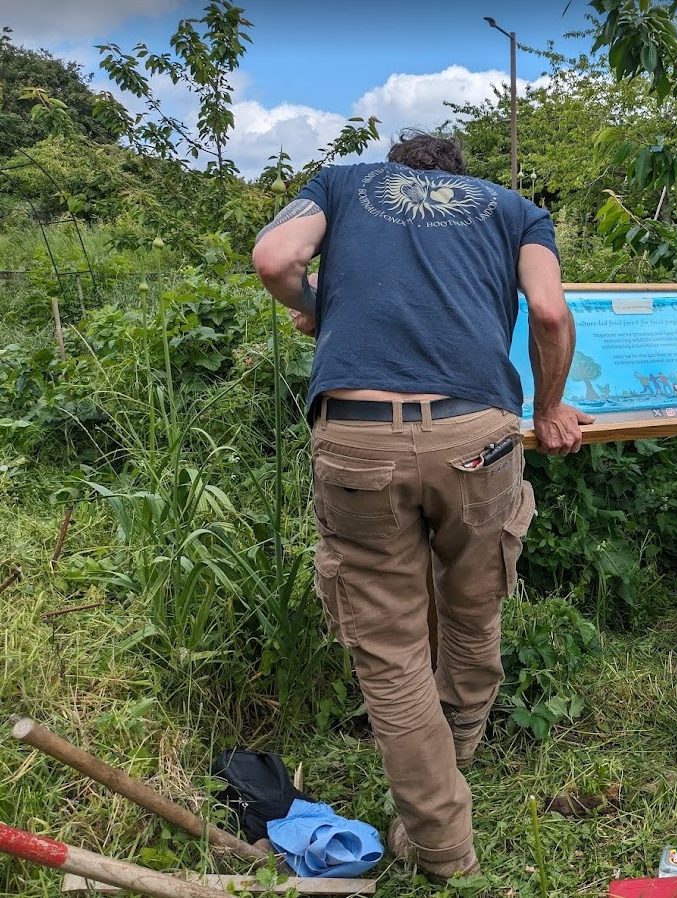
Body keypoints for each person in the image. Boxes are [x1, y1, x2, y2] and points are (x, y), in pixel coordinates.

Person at [252, 130, 592, 881]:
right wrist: (552, 406)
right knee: (474, 609)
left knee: (392, 650)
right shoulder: (517, 211)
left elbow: (276, 259)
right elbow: (548, 313)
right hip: (478, 436)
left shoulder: (343, 185)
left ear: (393, 171)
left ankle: (441, 845)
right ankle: (454, 759)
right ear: (460, 179)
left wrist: (311, 306)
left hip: (360, 438)